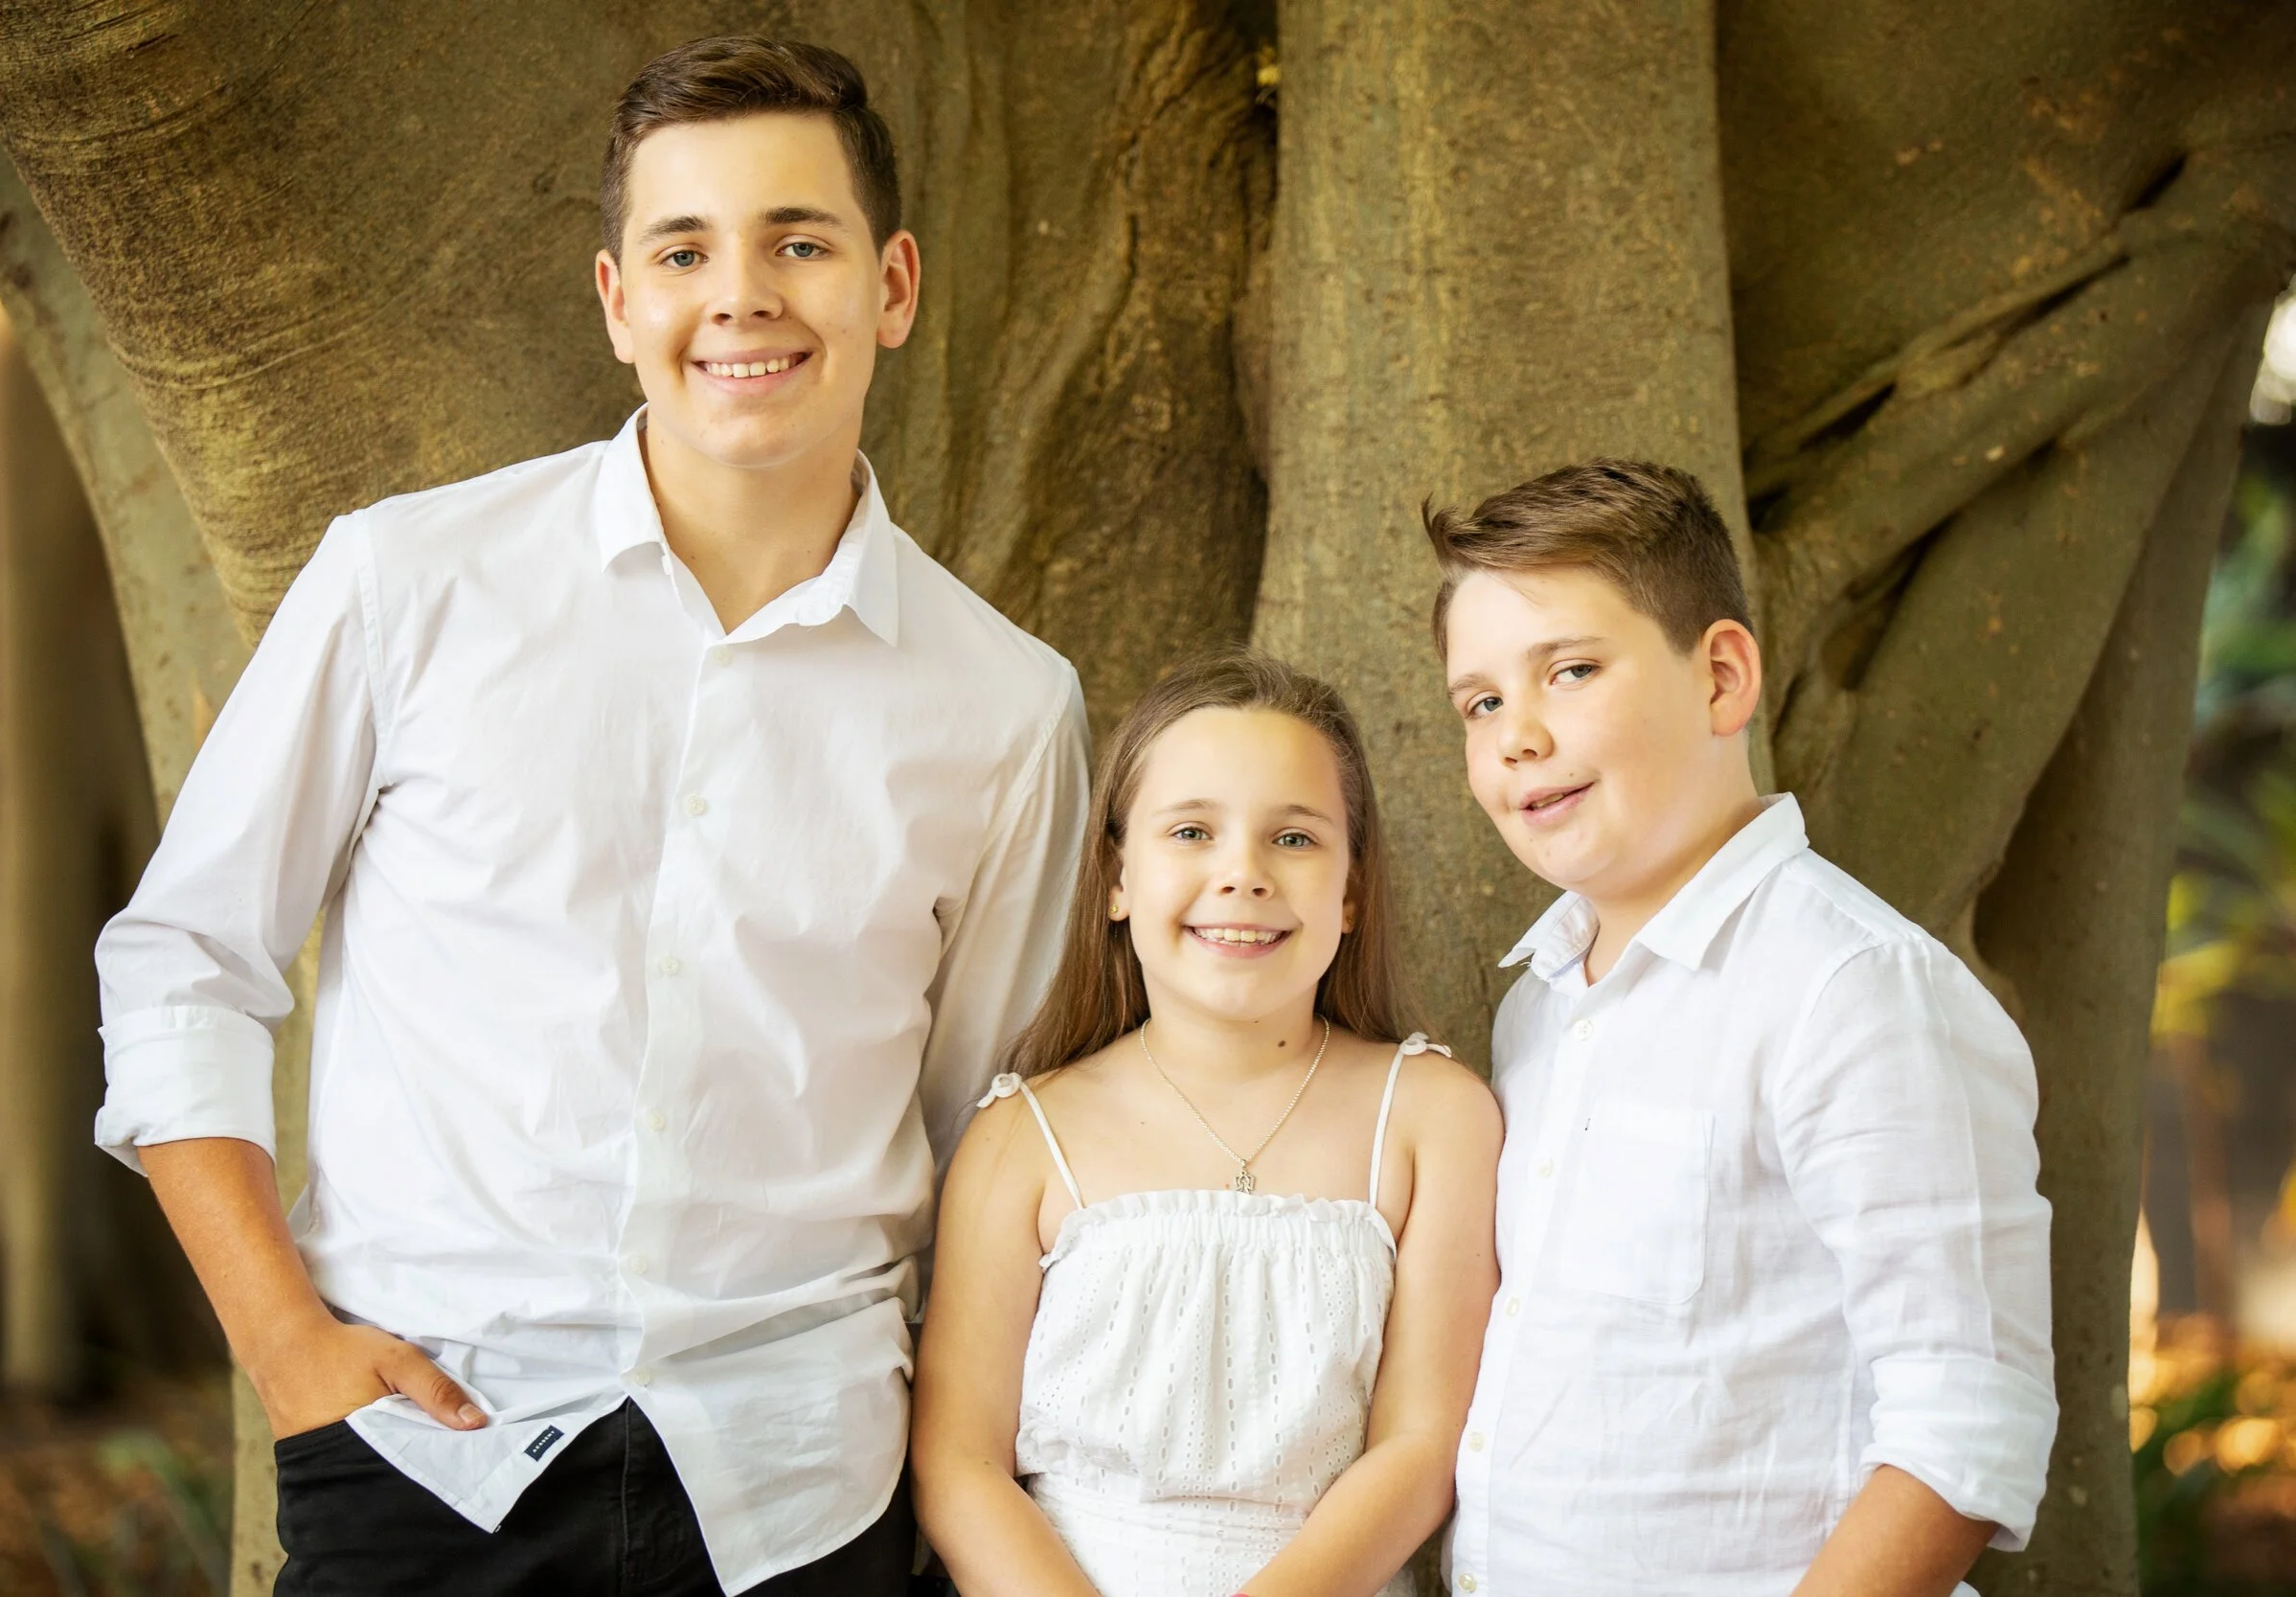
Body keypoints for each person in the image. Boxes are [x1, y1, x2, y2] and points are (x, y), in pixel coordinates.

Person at [91, 35, 1088, 1597]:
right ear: (620, 302)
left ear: (890, 286)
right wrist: (285, 1348)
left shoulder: (1009, 704)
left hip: (804, 1497)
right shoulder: (407, 582)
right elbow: (182, 964)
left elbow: (987, 1132)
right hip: (421, 1462)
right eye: (685, 249)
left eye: (798, 242)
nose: (741, 295)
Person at [1428, 460, 2058, 1596]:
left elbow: (1963, 1425)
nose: (1515, 735)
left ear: (1721, 678)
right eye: (1479, 702)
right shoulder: (1536, 1006)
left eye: (1568, 670)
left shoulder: (1851, 989)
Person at [912, 650, 1501, 1597]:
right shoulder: (1022, 1134)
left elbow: (1419, 1443)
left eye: (1296, 839)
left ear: (1351, 890)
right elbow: (958, 1464)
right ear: (1115, 877)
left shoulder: (1431, 1116)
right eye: (1191, 830)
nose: (1243, 874)